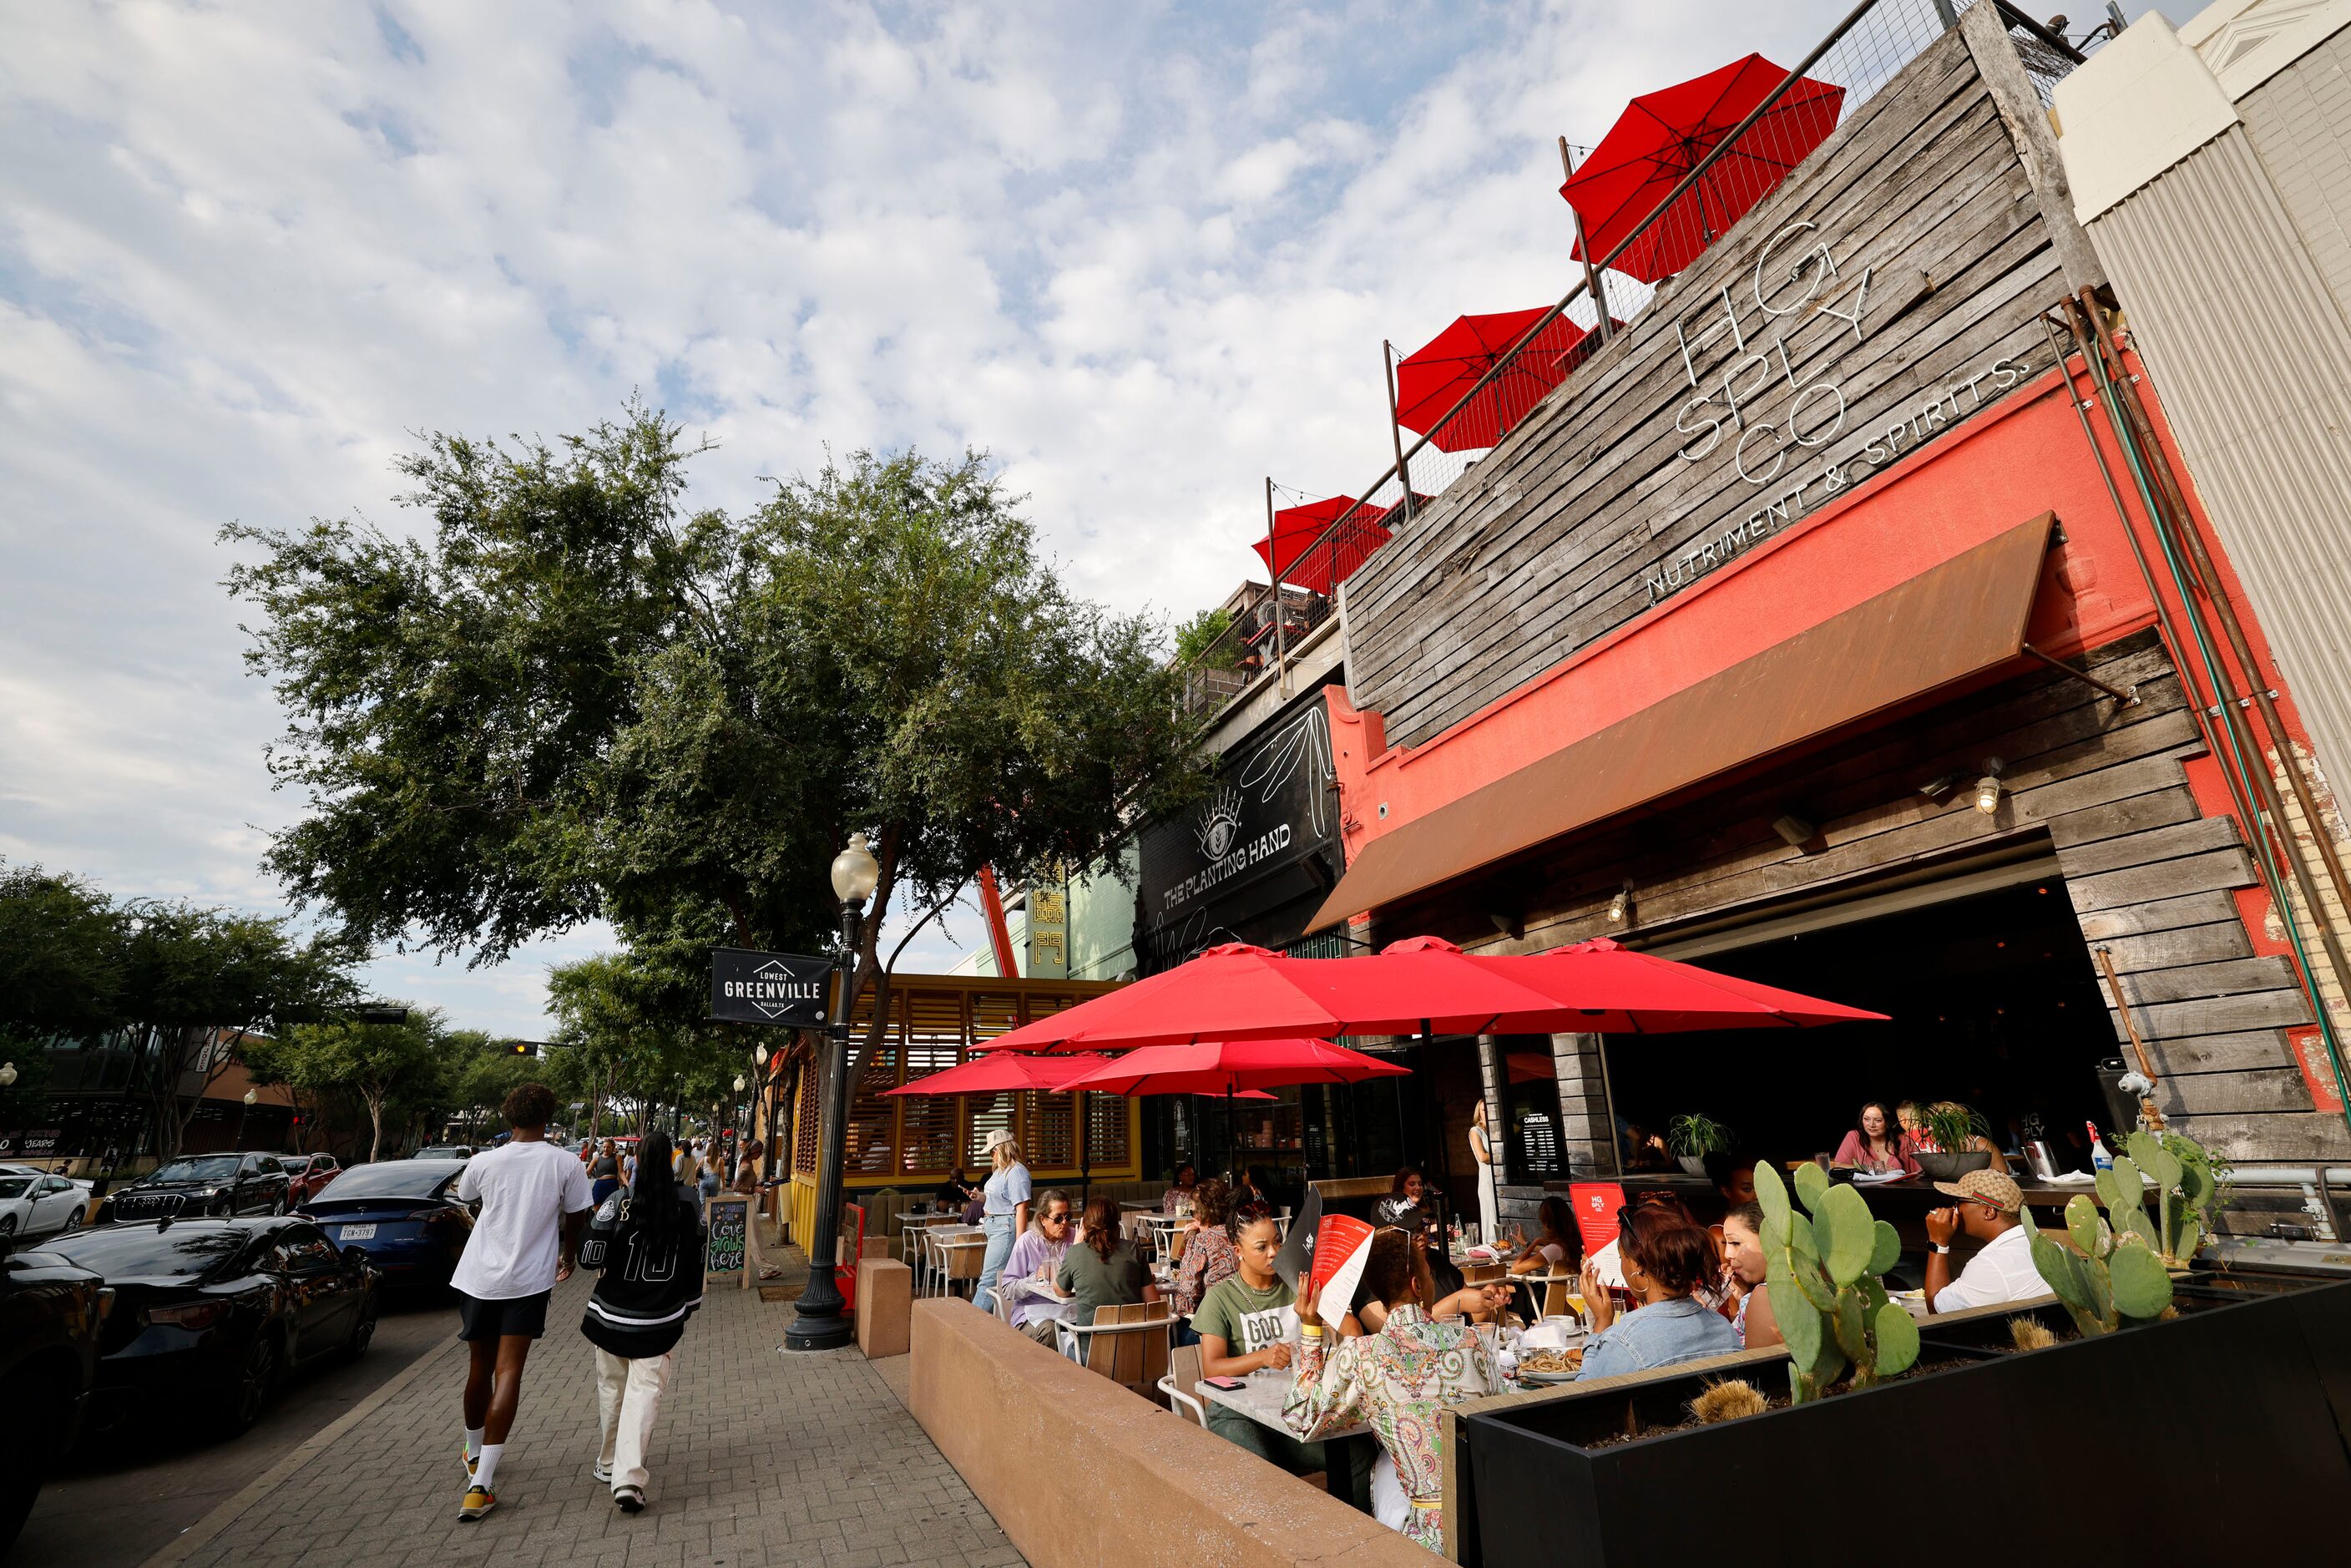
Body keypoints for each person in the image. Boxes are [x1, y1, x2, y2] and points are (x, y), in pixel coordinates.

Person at [1287, 1227, 1500, 1550]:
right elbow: (1499, 1414)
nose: (1431, 1282)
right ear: (1417, 1286)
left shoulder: (1362, 1356)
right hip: (1493, 1514)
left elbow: (1300, 1417)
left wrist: (1310, 1328)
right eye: (1428, 1276)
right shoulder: (1472, 1342)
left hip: (1430, 1535)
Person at [450, 1083, 595, 1522]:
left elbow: (465, 1199)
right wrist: (566, 1257)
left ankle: (474, 1455)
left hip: (478, 1276)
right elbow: (577, 1217)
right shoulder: (566, 1163)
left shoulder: (483, 1161)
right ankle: (481, 1486)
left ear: (508, 1116)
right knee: (508, 1371)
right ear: (548, 1117)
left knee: (479, 1368)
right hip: (529, 1281)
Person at [578, 1131, 705, 1515]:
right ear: (670, 1159)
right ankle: (628, 1478)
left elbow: (588, 1254)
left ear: (636, 1158)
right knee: (644, 1393)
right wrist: (690, 1305)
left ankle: (607, 1463)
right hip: (660, 1318)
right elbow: (698, 1256)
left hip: (610, 1314)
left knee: (612, 1390)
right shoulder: (688, 1202)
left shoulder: (619, 1201)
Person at [1196, 1201, 1331, 1483]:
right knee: (1263, 1472)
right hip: (1237, 1414)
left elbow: (1348, 1330)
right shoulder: (1220, 1298)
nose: (1273, 1253)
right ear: (1238, 1252)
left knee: (1355, 1456)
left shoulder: (1296, 1284)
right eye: (1261, 1247)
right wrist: (1263, 1357)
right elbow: (1212, 1367)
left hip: (1294, 1411)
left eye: (1278, 1243)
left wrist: (1316, 1317)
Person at [1575, 1205, 1742, 1381]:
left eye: (1621, 1257)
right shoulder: (1723, 1329)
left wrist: (1601, 1323)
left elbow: (1583, 1398)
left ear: (1637, 1264)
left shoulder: (1625, 1342)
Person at [1924, 1168, 2041, 1313]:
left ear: (1988, 1211)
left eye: (1958, 1202)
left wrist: (1938, 1241)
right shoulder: (2045, 1244)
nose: (1954, 1209)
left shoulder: (1991, 1264)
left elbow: (1937, 1310)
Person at [1056, 1192, 1159, 1322]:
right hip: (1133, 1340)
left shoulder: (1074, 1253)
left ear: (1085, 1226)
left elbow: (1061, 1292)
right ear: (1116, 1224)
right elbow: (1153, 1304)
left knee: (1063, 1339)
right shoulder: (1133, 1250)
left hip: (1090, 1340)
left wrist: (1076, 1245)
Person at [1000, 1189, 1077, 1343]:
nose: (1064, 1223)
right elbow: (1007, 1289)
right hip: (1033, 1315)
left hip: (1069, 1312)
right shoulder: (1027, 1242)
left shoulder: (1076, 1238)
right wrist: (1035, 1278)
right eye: (1058, 1219)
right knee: (1050, 1330)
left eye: (1068, 1216)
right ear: (1043, 1219)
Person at [1170, 1177, 1239, 1333]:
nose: (1192, 1215)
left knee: (1175, 1324)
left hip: (1215, 1322)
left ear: (1203, 1213)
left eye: (1193, 1211)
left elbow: (1189, 1293)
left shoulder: (1201, 1241)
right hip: (1244, 1313)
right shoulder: (1240, 1231)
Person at [974, 1130, 1032, 1303]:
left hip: (1004, 1227)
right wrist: (980, 1197)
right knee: (993, 1278)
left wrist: (1020, 1244)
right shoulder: (1001, 1170)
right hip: (995, 1226)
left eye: (993, 1151)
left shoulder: (1017, 1172)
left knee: (988, 1281)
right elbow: (999, 1199)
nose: (991, 1155)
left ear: (1002, 1149)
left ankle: (969, 1325)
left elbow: (1022, 1208)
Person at [1716, 1201, 1782, 1349]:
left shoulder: (1765, 1296)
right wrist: (1746, 1299)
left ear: (1769, 1239)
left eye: (1735, 1242)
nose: (1728, 1254)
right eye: (1726, 1243)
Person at [1833, 1102, 1919, 1174]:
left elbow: (1920, 1173)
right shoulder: (1854, 1137)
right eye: (1866, 1119)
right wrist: (1876, 1169)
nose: (1871, 1125)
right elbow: (1839, 1166)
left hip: (1899, 1191)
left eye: (1878, 1120)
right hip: (1863, 1191)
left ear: (1888, 1122)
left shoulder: (1905, 1140)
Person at [1468, 1101, 1499, 1244]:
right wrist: (1501, 1155)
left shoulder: (1496, 1131)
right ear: (1478, 1113)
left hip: (1501, 1179)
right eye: (1483, 1110)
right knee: (1491, 1216)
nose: (1487, 1112)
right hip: (1488, 1180)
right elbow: (1482, 1157)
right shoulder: (1475, 1132)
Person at [589, 1140, 622, 1207]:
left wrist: (627, 1183)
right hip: (600, 1185)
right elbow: (587, 1172)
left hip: (612, 1184)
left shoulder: (617, 1157)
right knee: (597, 1204)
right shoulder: (596, 1158)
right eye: (604, 1147)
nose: (605, 1149)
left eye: (608, 1147)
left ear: (613, 1147)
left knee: (612, 1207)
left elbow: (621, 1172)